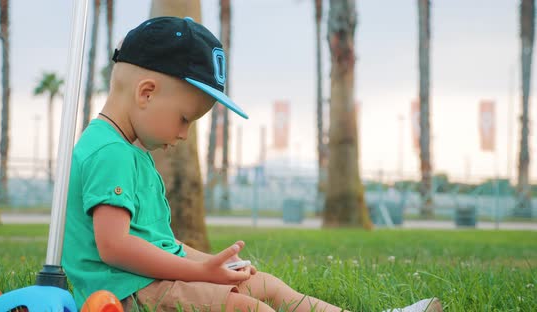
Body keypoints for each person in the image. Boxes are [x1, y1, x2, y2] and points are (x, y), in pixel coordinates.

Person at [61, 16, 443, 312]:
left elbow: (159, 243)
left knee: (267, 286)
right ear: (146, 93)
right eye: (185, 119)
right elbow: (114, 247)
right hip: (126, 293)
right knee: (244, 306)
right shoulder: (108, 151)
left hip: (148, 281)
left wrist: (212, 264)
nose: (184, 135)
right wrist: (200, 273)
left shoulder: (130, 151)